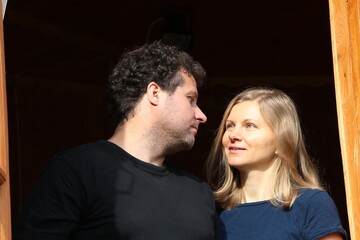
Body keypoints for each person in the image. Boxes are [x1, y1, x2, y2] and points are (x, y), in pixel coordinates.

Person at [13, 41, 217, 240]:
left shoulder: (200, 193)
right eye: (191, 99)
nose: (201, 115)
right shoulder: (76, 170)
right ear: (155, 93)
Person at [206, 86, 347, 240]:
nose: (234, 134)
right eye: (230, 126)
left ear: (281, 141)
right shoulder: (211, 210)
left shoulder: (311, 204)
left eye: (250, 125)